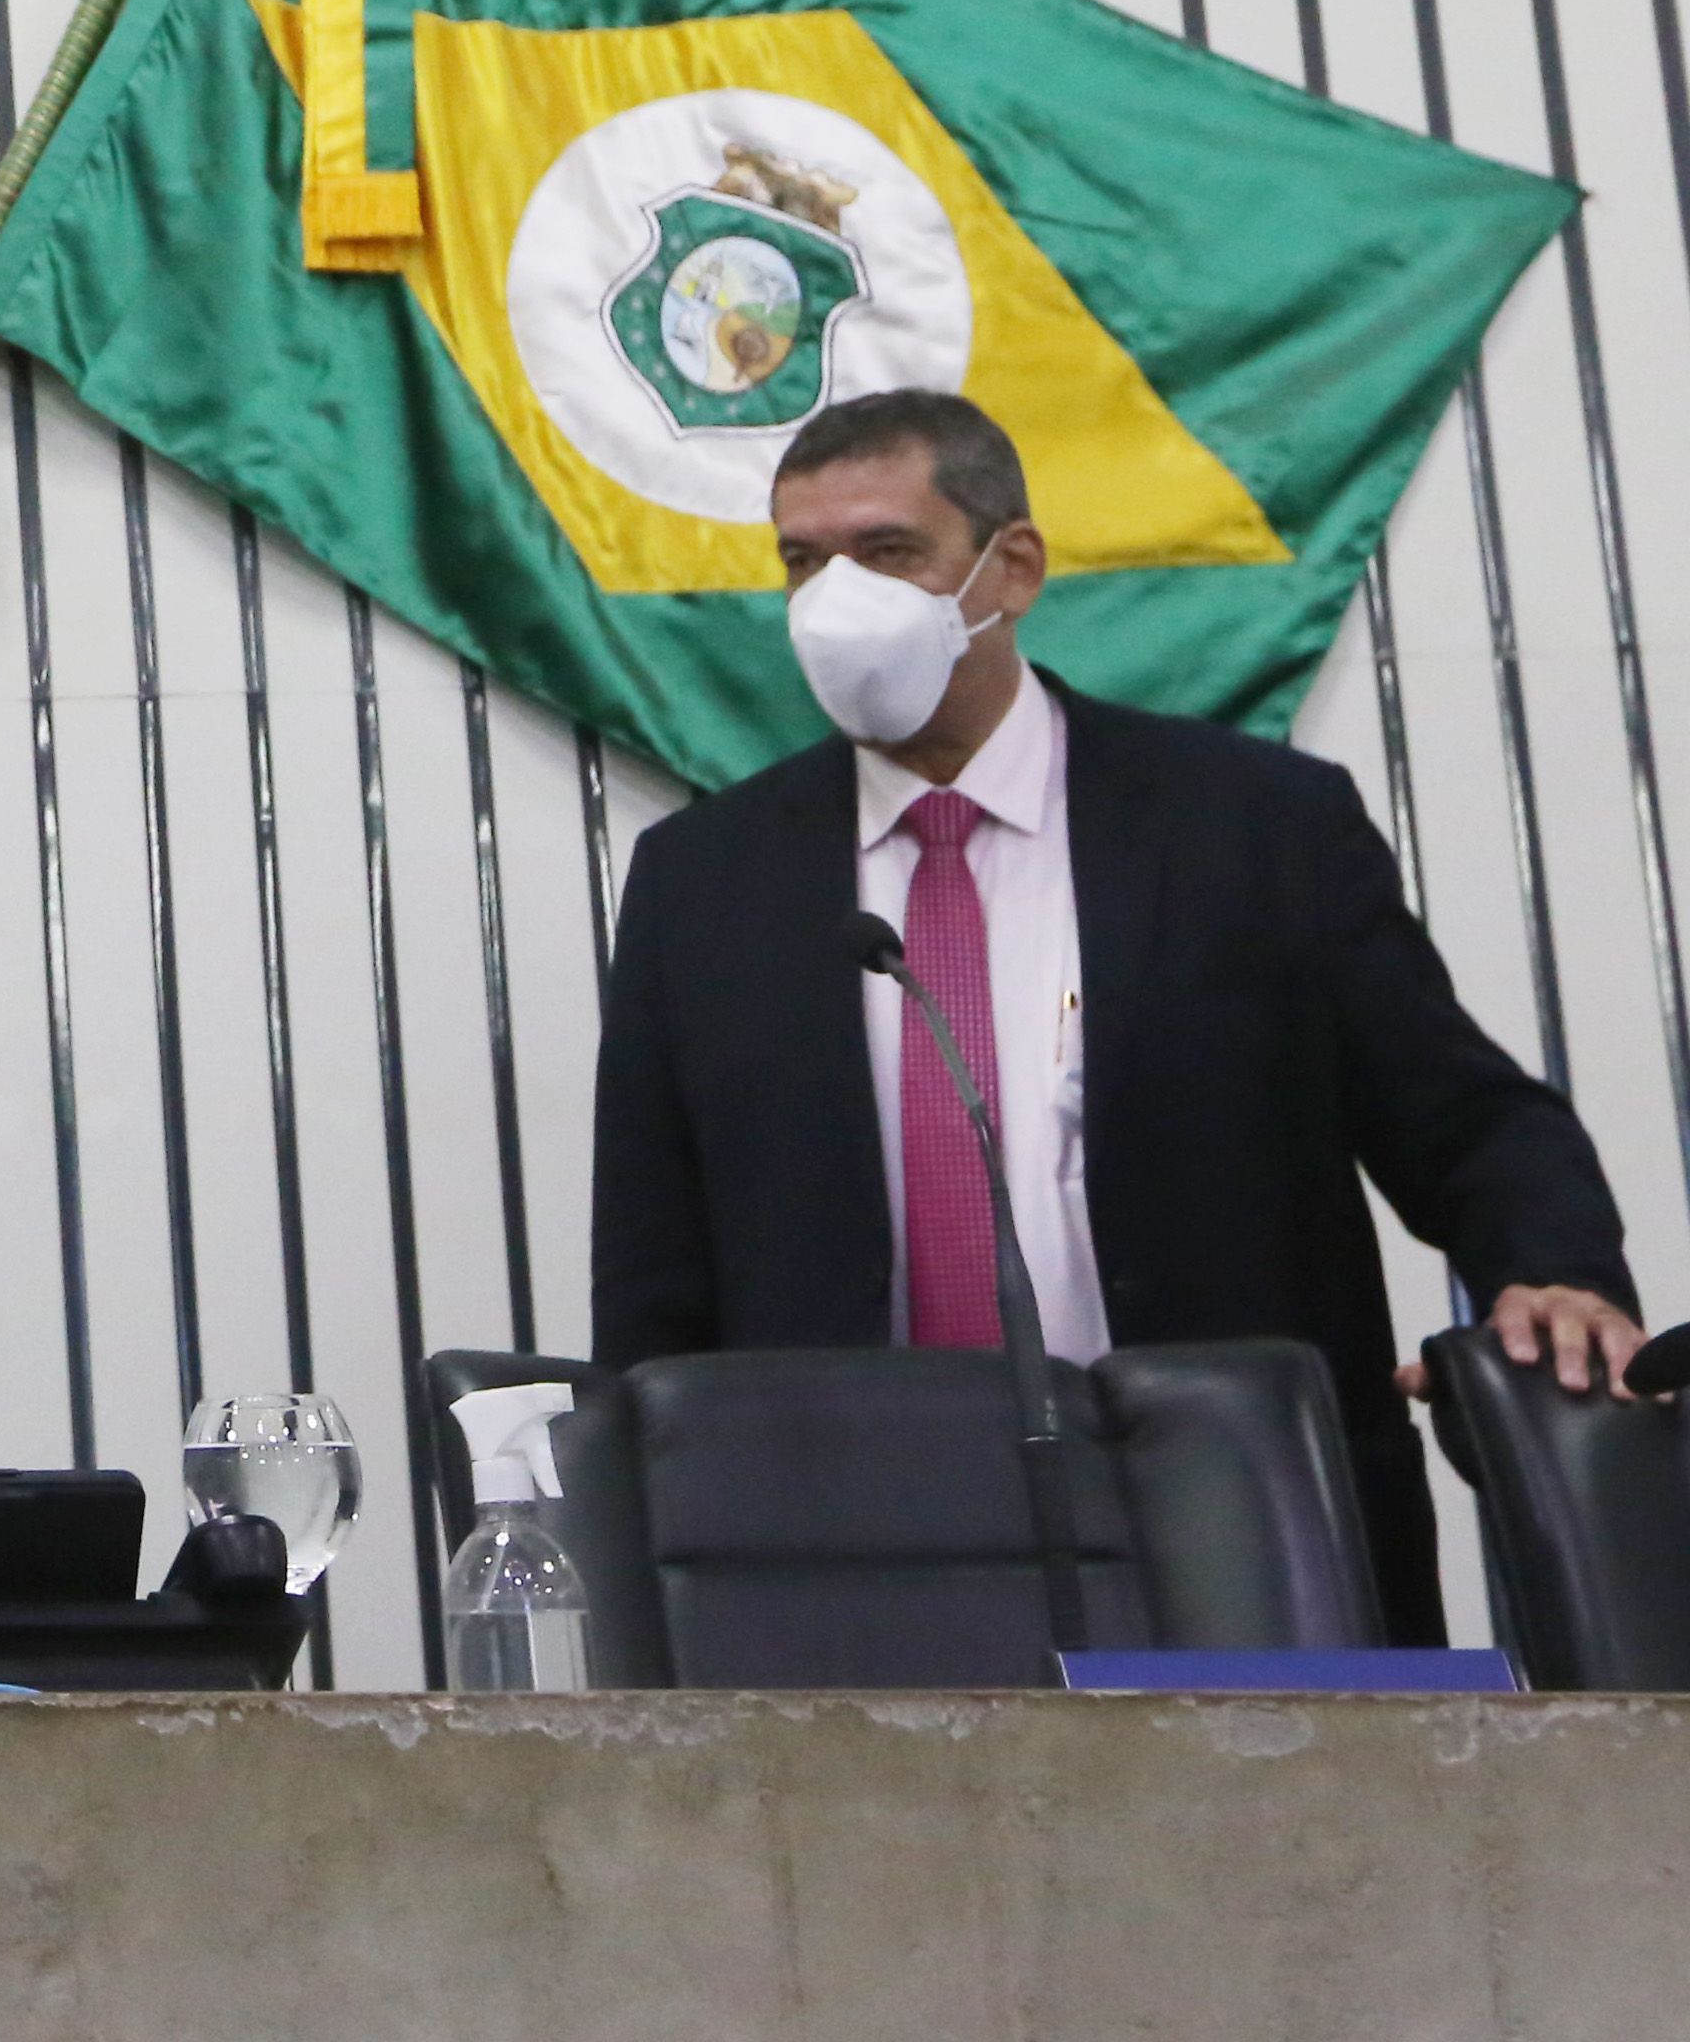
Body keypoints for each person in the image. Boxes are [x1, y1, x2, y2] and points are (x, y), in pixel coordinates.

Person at [589, 386, 1642, 1638]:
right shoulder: (705, 881)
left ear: (1012, 568)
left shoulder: (1255, 828)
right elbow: (652, 1270)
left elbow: (1467, 1121)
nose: (835, 601)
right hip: (847, 1540)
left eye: (887, 551)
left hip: (1235, 1517)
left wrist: (1553, 1275)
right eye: (803, 563)